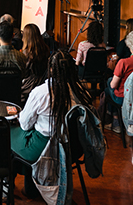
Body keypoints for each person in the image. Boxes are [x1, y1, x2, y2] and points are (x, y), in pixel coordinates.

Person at [11, 49, 92, 198]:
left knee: (12, 134)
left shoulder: (41, 93)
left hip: (45, 150)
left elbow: (24, 125)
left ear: (51, 69)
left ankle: (21, 187)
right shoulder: (79, 92)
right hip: (73, 148)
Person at [20, 24, 50, 104]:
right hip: (42, 83)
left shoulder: (26, 54)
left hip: (29, 86)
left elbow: (24, 74)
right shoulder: (46, 49)